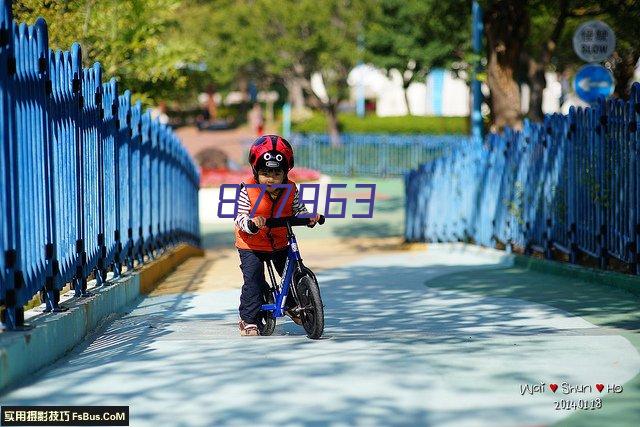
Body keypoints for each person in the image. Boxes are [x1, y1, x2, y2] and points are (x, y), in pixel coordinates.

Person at [235, 134, 320, 336]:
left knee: (288, 273)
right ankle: (248, 320)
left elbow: (298, 209)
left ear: (285, 173)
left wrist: (309, 217)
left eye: (276, 173)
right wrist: (251, 223)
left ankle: (292, 304)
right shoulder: (248, 190)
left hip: (280, 240)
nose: (271, 178)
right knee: (254, 280)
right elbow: (239, 217)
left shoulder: (291, 189)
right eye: (265, 173)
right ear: (256, 171)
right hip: (251, 243)